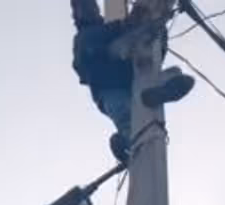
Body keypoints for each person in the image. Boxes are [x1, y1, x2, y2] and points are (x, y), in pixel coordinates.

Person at [71, 0, 195, 163]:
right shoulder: (85, 36)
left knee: (169, 71)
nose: (90, 9)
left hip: (133, 79)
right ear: (77, 15)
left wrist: (156, 29)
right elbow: (85, 61)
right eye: (84, 8)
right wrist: (129, 28)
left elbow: (136, 35)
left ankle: (158, 93)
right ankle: (126, 144)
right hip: (111, 88)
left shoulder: (106, 30)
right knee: (131, 124)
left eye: (91, 6)